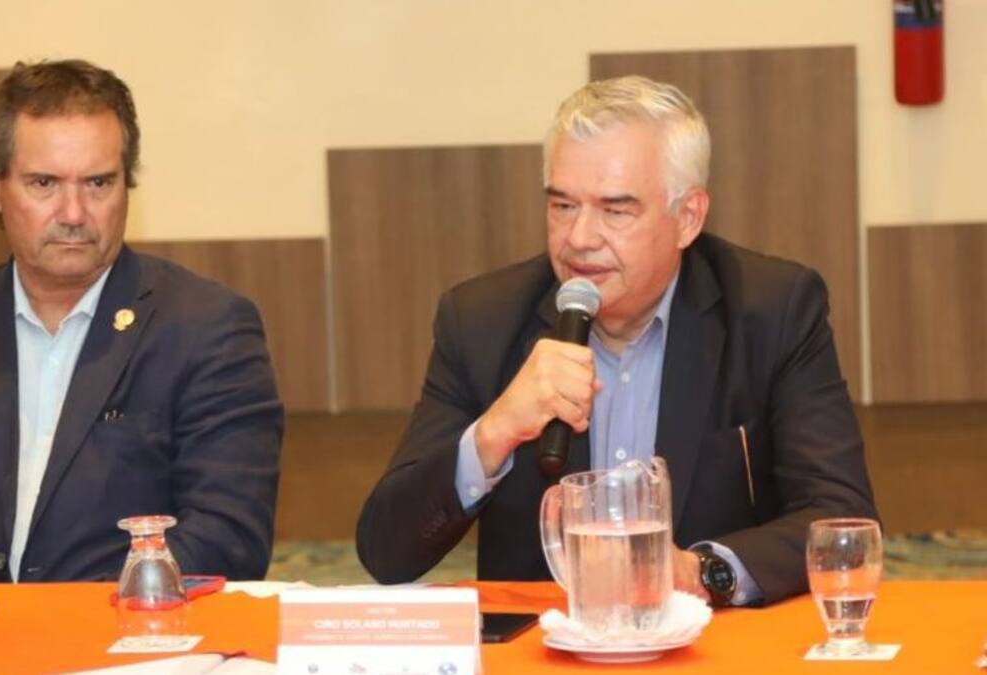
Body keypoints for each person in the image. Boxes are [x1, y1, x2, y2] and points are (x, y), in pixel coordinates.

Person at [356, 75, 876, 606]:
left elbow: (840, 518)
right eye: (563, 207)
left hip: (712, 640)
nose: (579, 239)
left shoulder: (772, 310)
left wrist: (699, 572)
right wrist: (493, 435)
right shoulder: (481, 322)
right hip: (548, 643)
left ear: (687, 217)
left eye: (616, 210)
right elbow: (386, 553)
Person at [0, 60, 282, 583]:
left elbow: (230, 536)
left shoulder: (207, 328)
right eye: (44, 183)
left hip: (130, 628)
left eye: (98, 182)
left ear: (127, 186)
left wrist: (73, 616)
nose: (74, 213)